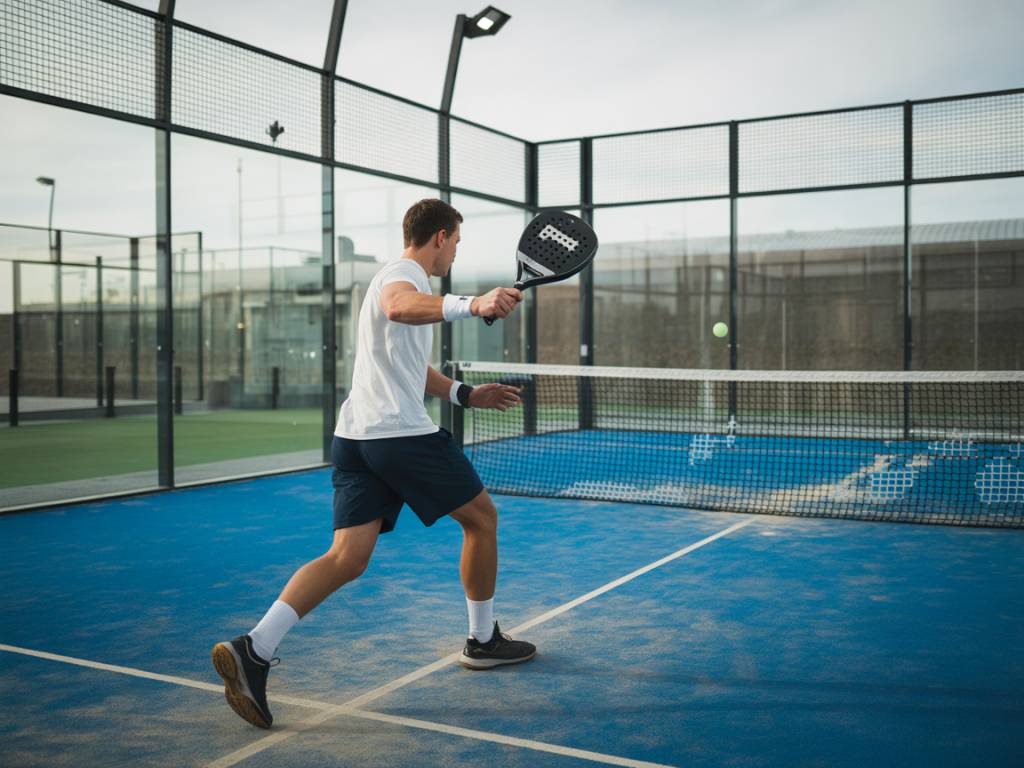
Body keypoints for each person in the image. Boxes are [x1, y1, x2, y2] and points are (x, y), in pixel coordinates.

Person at [211, 198, 535, 729]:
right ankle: (482, 640)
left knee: (346, 558)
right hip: (399, 436)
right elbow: (400, 308)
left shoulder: (398, 278)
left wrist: (463, 394)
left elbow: (408, 362)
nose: (455, 251)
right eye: (455, 241)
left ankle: (254, 647)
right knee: (482, 520)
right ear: (439, 237)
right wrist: (472, 304)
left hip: (355, 437)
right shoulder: (405, 276)